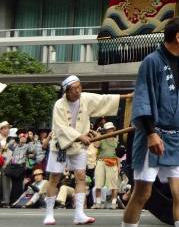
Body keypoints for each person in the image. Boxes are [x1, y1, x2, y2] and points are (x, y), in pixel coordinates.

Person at [123, 17, 179, 227]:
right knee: (142, 193)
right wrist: (150, 133)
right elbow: (142, 97)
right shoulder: (152, 62)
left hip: (175, 138)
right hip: (153, 136)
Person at [44, 76, 128, 226]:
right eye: (74, 89)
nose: (78, 91)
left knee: (81, 177)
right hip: (60, 145)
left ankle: (79, 214)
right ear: (67, 91)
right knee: (54, 178)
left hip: (78, 147)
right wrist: (79, 136)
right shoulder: (59, 105)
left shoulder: (85, 99)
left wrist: (125, 97)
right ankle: (49, 213)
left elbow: (104, 100)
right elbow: (61, 127)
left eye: (79, 87)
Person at [92, 122, 120, 210]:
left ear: (113, 129)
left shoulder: (116, 140)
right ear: (105, 130)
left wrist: (118, 166)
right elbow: (96, 145)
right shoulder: (101, 139)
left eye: (111, 129)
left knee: (114, 184)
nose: (110, 131)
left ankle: (114, 203)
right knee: (98, 183)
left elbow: (118, 155)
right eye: (108, 129)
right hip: (101, 161)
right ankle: (98, 202)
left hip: (112, 161)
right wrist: (97, 135)